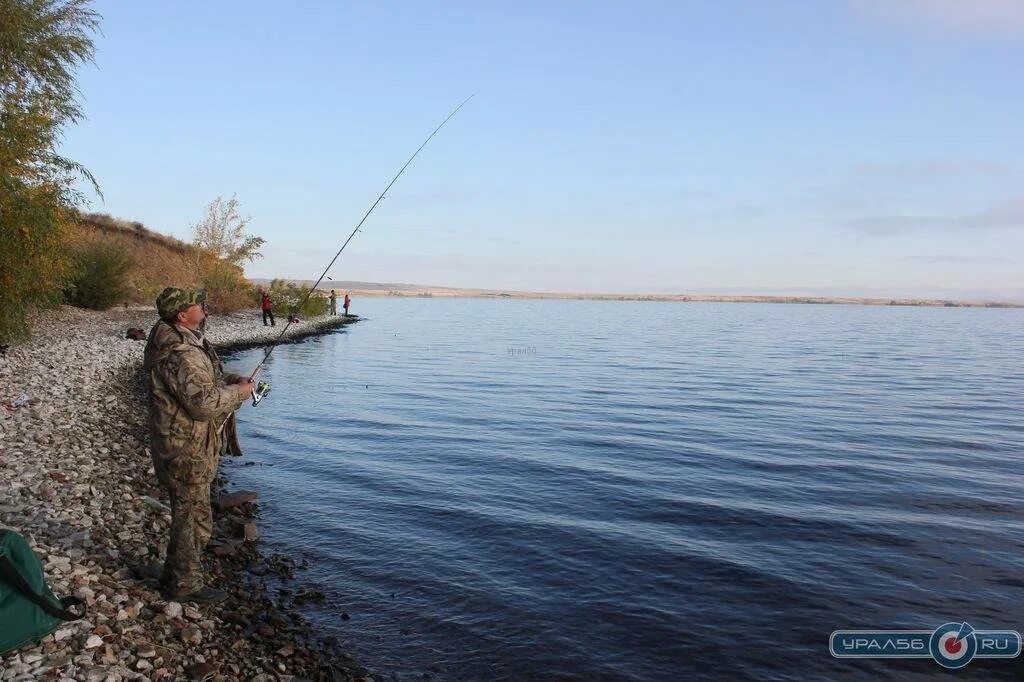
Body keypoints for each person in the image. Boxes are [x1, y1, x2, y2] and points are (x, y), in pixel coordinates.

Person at [144, 287, 254, 603]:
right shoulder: (180, 353)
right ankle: (183, 585)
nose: (204, 308)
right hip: (185, 448)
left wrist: (233, 380)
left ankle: (173, 573)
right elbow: (203, 404)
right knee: (190, 516)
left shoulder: (178, 339)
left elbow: (207, 379)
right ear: (182, 315)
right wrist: (240, 394)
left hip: (185, 442)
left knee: (193, 512)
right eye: (197, 305)